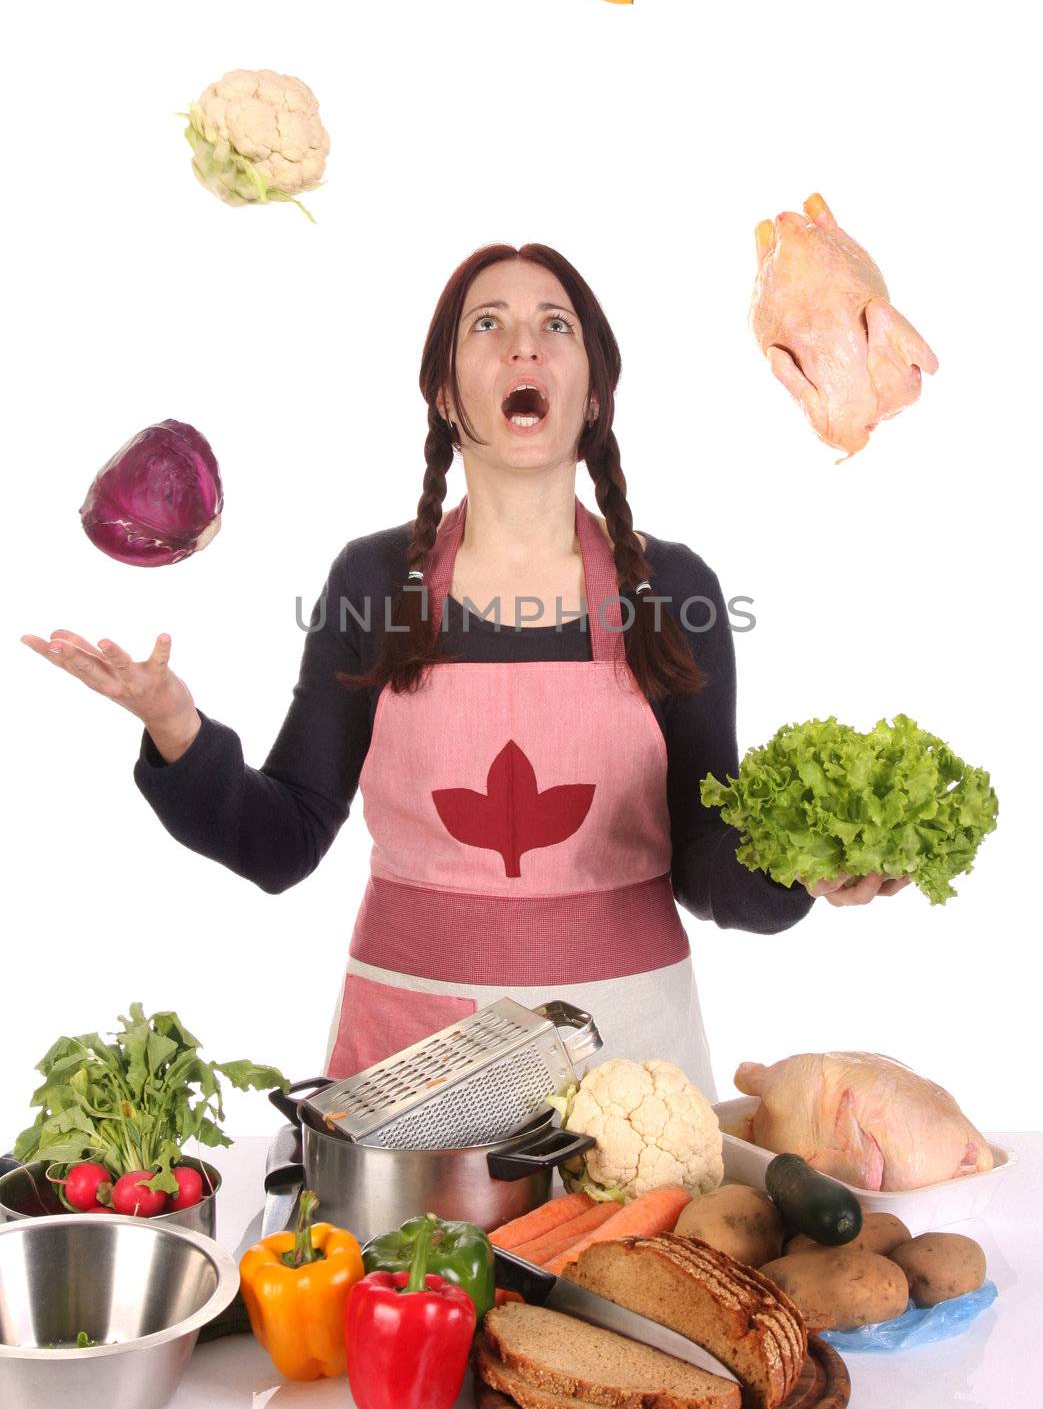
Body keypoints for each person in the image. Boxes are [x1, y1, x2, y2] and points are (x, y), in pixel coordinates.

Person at [22, 243, 908, 1094]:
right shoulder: (373, 583)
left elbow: (706, 858)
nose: (523, 341)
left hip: (625, 1057)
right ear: (446, 395)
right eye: (487, 324)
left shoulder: (673, 590)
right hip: (412, 1062)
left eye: (555, 326)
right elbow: (281, 843)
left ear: (593, 393)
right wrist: (175, 728)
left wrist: (800, 864)